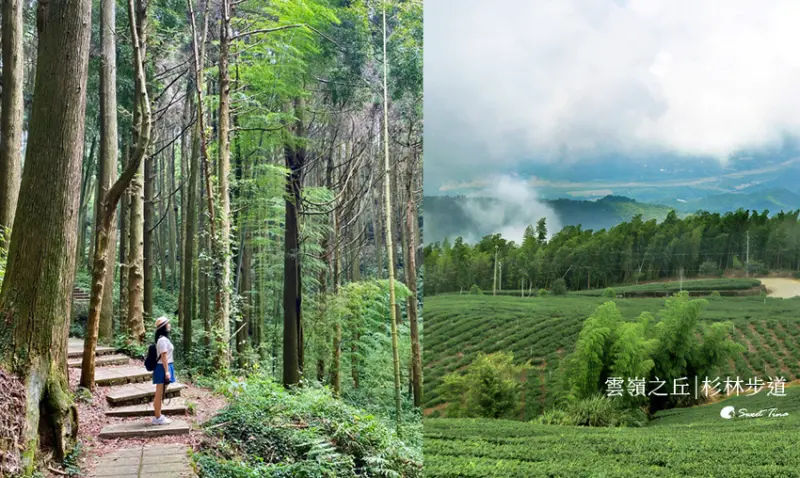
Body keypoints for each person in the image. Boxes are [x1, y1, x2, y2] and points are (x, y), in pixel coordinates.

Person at [152, 316, 175, 425]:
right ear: (164, 327)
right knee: (159, 393)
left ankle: (158, 414)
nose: (169, 325)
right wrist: (166, 371)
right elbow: (164, 356)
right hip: (162, 367)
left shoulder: (163, 339)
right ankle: (157, 417)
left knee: (160, 393)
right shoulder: (162, 340)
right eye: (168, 324)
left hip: (166, 366)